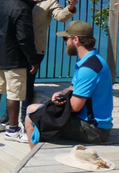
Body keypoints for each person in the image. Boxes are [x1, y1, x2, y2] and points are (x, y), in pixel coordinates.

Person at [0, 0, 77, 119]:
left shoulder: (48, 0)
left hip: (34, 48)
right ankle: (9, 115)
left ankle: (23, 117)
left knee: (26, 85)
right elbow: (2, 7)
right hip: (13, 48)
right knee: (12, 86)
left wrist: (71, 7)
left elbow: (61, 17)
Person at [25, 20, 113, 148]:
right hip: (94, 124)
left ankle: (33, 161)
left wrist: (51, 107)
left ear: (76, 39)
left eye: (66, 39)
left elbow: (75, 106)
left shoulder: (88, 69)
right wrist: (61, 93)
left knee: (32, 116)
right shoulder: (94, 60)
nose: (65, 43)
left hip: (94, 130)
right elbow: (72, 87)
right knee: (35, 110)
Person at [0, 0, 39, 142]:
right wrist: (32, 59)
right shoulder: (22, 7)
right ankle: (13, 130)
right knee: (14, 93)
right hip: (14, 56)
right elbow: (24, 38)